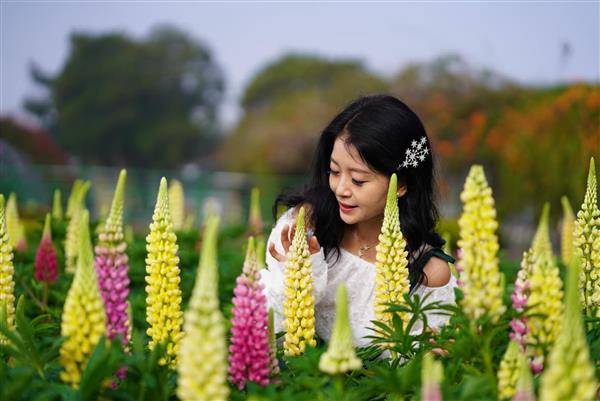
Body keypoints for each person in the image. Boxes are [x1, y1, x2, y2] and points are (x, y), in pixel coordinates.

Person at [259, 94, 457, 349]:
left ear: (402, 185)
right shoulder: (303, 225)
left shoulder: (428, 271)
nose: (341, 188)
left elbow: (426, 368)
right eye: (334, 171)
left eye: (358, 180)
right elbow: (269, 328)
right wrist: (298, 273)